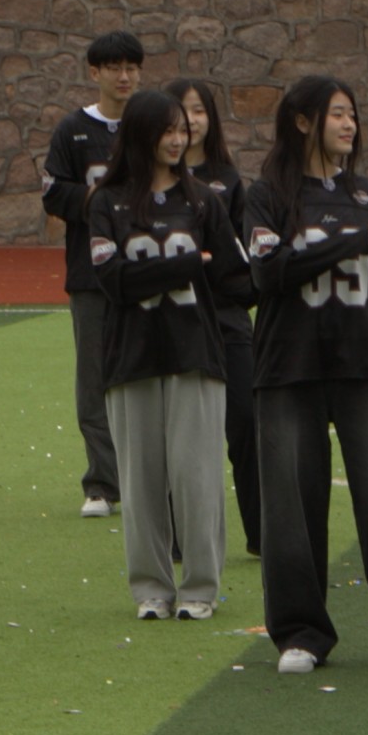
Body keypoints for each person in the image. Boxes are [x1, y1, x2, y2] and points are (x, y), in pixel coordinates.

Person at [236, 73, 368, 669]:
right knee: (291, 506)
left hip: (365, 366)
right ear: (302, 121)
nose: (349, 123)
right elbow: (267, 272)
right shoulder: (267, 196)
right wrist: (349, 243)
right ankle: (301, 634)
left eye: (352, 114)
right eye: (336, 113)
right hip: (288, 369)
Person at [87, 88, 236, 621]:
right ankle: (151, 589)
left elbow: (234, 275)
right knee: (141, 482)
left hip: (195, 353)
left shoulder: (204, 202)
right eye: (167, 130)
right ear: (142, 134)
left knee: (197, 477)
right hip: (131, 358)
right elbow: (113, 281)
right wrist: (184, 266)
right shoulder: (106, 203)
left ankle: (200, 589)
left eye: (182, 130)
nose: (177, 139)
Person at [41, 31, 144, 519]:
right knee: (94, 380)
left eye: (131, 67)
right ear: (95, 73)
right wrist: (101, 202)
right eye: (114, 68)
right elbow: (53, 193)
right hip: (91, 274)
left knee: (147, 374)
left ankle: (148, 480)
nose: (124, 76)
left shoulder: (151, 123)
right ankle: (103, 483)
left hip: (148, 271)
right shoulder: (73, 130)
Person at [162, 78, 262, 554]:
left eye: (199, 110)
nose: (191, 121)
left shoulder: (229, 181)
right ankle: (179, 536)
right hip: (175, 321)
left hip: (227, 320)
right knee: (180, 435)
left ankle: (262, 534)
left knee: (246, 422)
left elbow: (241, 261)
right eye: (182, 112)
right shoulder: (150, 185)